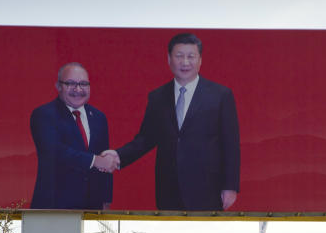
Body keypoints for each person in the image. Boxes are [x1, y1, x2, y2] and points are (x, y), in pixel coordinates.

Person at [105, 32, 240, 211]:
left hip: (207, 188)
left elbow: (230, 144)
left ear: (200, 60)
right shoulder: (157, 97)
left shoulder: (220, 95)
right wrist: (118, 156)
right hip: (168, 188)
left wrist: (230, 186)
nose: (185, 62)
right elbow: (146, 139)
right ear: (169, 59)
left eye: (191, 56)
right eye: (179, 56)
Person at [30, 63, 119, 209]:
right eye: (70, 83)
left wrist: (106, 200)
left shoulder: (98, 117)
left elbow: (105, 161)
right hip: (54, 207)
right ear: (58, 86)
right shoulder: (44, 115)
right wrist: (94, 160)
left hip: (92, 206)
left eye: (83, 84)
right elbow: (54, 151)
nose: (78, 89)